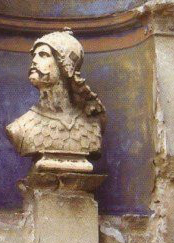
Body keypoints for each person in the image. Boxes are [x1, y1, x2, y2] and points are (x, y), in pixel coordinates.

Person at [6, 29, 105, 172]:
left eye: (43, 55)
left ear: (65, 66)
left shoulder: (92, 124)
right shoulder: (20, 127)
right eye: (34, 55)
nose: (34, 61)